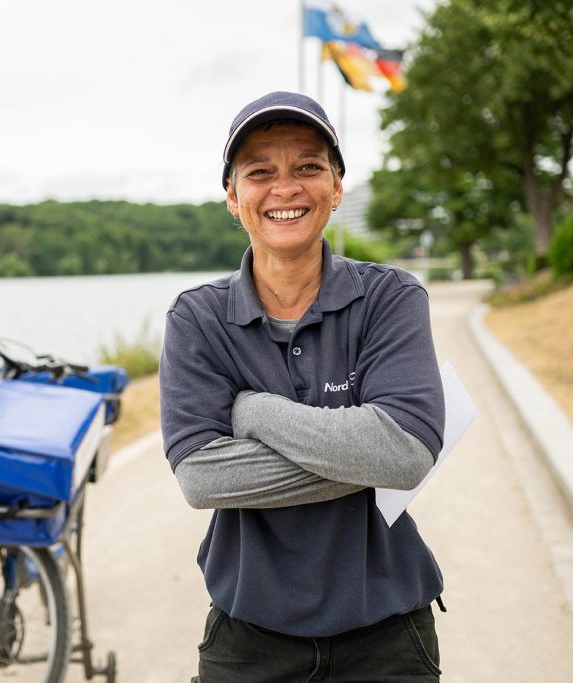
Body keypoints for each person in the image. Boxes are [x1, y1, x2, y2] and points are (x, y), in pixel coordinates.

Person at [159, 91, 446, 682]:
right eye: (260, 172)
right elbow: (201, 476)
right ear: (234, 198)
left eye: (308, 167)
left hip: (388, 635)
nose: (285, 188)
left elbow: (406, 453)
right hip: (247, 638)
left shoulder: (390, 299)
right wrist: (362, 454)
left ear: (336, 188)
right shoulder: (197, 319)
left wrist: (254, 411)